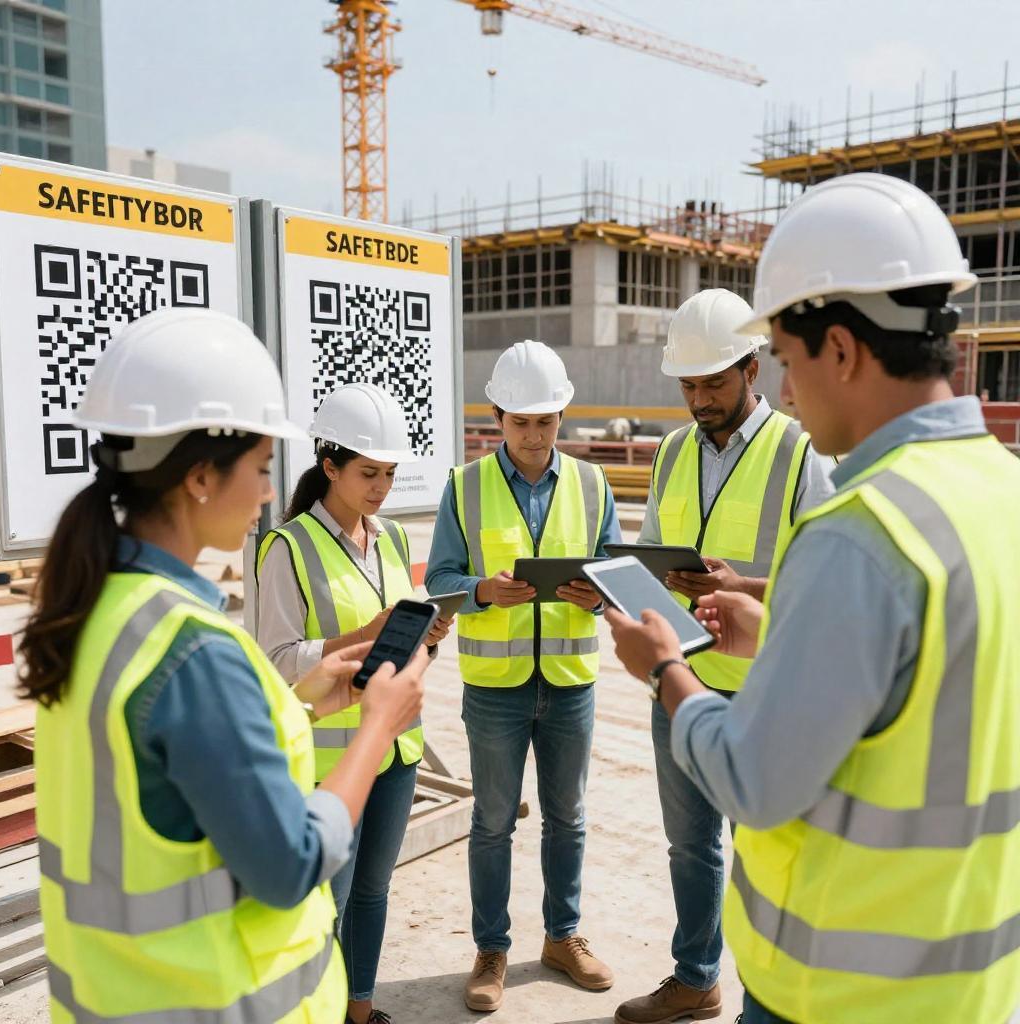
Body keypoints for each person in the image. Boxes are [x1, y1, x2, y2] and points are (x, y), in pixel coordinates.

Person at [606, 173, 1020, 1023]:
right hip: (973, 981)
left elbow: (754, 783)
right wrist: (787, 621)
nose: (789, 392)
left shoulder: (860, 530)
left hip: (839, 986)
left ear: (841, 349)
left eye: (789, 362)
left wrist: (663, 673)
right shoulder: (1002, 490)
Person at [21, 308, 428, 1023]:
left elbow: (163, 768)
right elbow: (290, 863)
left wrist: (303, 705)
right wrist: (375, 727)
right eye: (262, 468)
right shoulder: (193, 649)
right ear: (201, 477)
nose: (270, 491)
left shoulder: (92, 612)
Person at [615, 290, 834, 1024]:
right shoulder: (673, 451)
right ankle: (696, 976)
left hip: (764, 696)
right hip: (678, 682)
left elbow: (827, 579)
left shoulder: (801, 452)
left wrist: (744, 586)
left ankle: (767, 1003)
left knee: (769, 859)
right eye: (689, 385)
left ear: (751, 369)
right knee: (690, 848)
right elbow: (654, 548)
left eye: (714, 382)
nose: (700, 399)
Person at [426, 339, 622, 1012]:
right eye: (520, 422)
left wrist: (599, 597)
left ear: (562, 416)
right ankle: (491, 948)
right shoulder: (464, 487)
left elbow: (615, 576)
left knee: (567, 819)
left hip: (570, 680)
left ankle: (562, 937)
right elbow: (439, 582)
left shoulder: (593, 487)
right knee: (492, 821)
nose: (534, 436)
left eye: (545, 421)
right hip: (495, 690)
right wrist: (482, 590)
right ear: (497, 417)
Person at [257, 381, 451, 1024]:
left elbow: (399, 650)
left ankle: (360, 1011)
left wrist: (424, 636)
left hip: (397, 745)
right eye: (368, 472)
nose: (381, 487)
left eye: (391, 473)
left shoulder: (393, 540)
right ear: (329, 465)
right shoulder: (286, 548)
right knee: (328, 900)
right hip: (331, 757)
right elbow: (278, 662)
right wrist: (365, 634)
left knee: (372, 891)